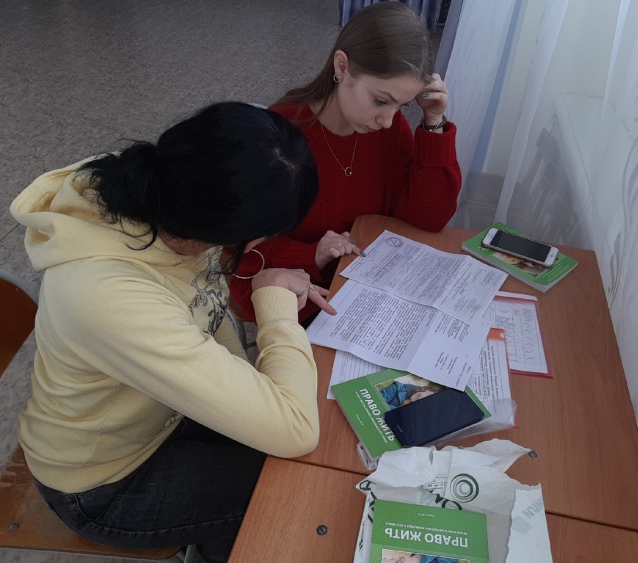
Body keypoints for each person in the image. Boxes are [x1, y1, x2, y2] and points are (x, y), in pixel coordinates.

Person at [9, 102, 334, 563]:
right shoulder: (108, 295)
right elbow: (295, 430)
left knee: (304, 458)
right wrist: (276, 307)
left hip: (155, 417)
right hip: (102, 483)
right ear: (231, 231)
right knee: (294, 490)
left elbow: (207, 315)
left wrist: (254, 388)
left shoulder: (163, 192)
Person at [229, 1, 461, 324]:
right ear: (342, 67)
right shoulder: (280, 136)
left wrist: (433, 123)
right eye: (381, 100)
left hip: (371, 293)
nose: (388, 120)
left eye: (402, 105)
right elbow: (240, 258)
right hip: (307, 301)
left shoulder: (388, 129)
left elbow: (428, 217)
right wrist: (312, 254)